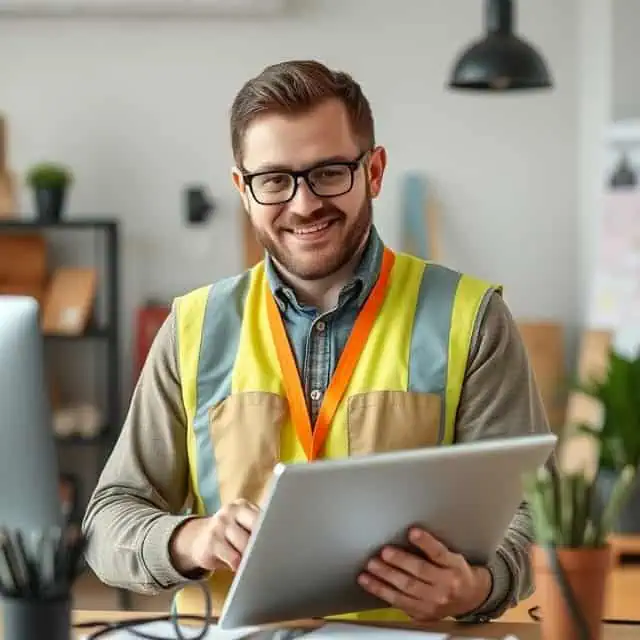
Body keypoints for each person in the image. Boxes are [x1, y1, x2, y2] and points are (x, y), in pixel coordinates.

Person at [82, 59, 551, 625]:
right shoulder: (192, 328)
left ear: (373, 171)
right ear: (243, 189)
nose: (303, 203)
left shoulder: (472, 319)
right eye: (274, 179)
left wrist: (476, 586)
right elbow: (109, 521)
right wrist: (192, 538)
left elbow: (537, 514)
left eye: (329, 172)